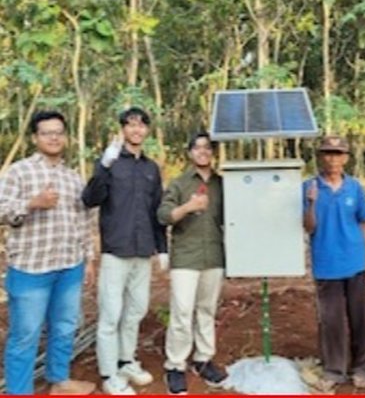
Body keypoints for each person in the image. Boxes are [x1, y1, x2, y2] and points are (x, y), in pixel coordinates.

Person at [0, 110, 96, 395]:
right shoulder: (19, 171)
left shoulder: (73, 178)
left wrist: (88, 258)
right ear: (35, 138)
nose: (53, 137)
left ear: (65, 137)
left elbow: (84, 220)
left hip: (69, 265)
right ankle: (20, 391)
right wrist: (32, 203)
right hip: (30, 269)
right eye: (46, 132)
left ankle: (59, 379)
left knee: (65, 327)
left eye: (58, 132)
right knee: (25, 335)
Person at [82, 107, 167, 395]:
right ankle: (109, 375)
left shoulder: (151, 169)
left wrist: (162, 248)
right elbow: (90, 199)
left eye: (142, 125)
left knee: (136, 311)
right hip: (115, 251)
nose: (136, 130)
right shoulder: (109, 163)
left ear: (147, 131)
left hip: (143, 252)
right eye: (130, 125)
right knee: (110, 314)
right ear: (123, 130)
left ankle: (126, 360)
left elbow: (156, 210)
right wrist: (104, 166)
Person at [303, 135, 365, 390]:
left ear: (346, 157)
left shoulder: (354, 187)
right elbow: (309, 227)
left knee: (360, 318)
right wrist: (311, 204)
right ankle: (334, 370)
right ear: (320, 157)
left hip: (355, 261)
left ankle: (364, 368)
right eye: (328, 153)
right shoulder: (309, 187)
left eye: (338, 153)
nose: (333, 158)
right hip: (326, 263)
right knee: (331, 320)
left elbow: (364, 221)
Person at [158, 131, 227, 395]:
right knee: (182, 313)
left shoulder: (222, 184)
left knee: (206, 310)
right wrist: (187, 207)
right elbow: (164, 215)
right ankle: (175, 365)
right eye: (197, 148)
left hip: (214, 256)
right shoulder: (179, 183)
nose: (203, 152)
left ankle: (203, 359)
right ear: (190, 153)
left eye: (208, 148)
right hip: (185, 258)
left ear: (213, 152)